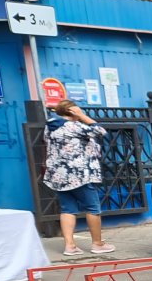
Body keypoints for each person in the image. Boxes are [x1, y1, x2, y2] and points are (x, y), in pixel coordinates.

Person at [44, 99, 113, 258]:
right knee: (93, 208)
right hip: (80, 174)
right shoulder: (73, 126)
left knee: (68, 209)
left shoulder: (50, 126)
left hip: (60, 176)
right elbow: (101, 131)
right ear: (71, 112)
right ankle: (97, 244)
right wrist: (82, 116)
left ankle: (70, 246)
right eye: (78, 110)